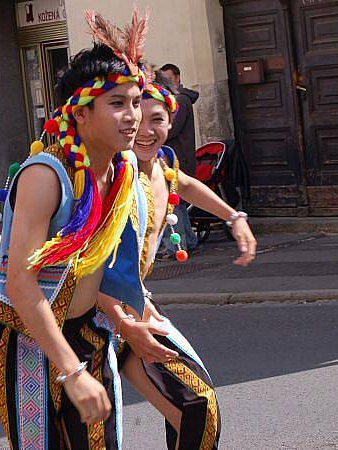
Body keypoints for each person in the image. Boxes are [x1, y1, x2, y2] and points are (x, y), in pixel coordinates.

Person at [0, 10, 150, 448]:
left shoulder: (121, 170)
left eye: (136, 102)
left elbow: (100, 269)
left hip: (88, 332)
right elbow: (19, 282)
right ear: (79, 112)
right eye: (117, 103)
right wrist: (71, 371)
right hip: (26, 339)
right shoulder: (45, 175)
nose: (132, 115)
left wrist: (131, 319)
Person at [98, 82, 257, 449]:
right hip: (102, 316)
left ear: (171, 123)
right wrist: (124, 320)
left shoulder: (163, 164)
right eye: (138, 119)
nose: (146, 131)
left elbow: (186, 184)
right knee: (195, 408)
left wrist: (235, 218)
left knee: (198, 409)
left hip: (134, 308)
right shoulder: (111, 174)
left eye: (158, 120)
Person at [157, 64, 199, 254]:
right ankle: (188, 240)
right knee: (178, 204)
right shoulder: (175, 100)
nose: (165, 83)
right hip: (176, 159)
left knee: (171, 205)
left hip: (176, 159)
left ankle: (176, 246)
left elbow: (170, 129)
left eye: (168, 79)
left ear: (177, 78)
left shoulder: (180, 100)